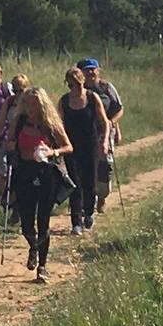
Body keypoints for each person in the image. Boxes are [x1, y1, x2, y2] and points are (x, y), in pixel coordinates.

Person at [4, 88, 72, 284]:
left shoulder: (50, 124)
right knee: (26, 222)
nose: (31, 108)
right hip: (24, 172)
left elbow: (68, 146)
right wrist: (10, 147)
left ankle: (42, 266)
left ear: (42, 104)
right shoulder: (19, 123)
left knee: (43, 219)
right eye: (28, 103)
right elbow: (9, 142)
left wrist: (52, 152)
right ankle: (33, 246)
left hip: (46, 173)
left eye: (35, 104)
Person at [58, 67, 110, 234]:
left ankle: (88, 212)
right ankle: (76, 222)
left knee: (90, 181)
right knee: (74, 183)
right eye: (72, 85)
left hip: (91, 144)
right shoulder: (64, 101)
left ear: (83, 82)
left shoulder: (92, 98)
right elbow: (59, 125)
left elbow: (105, 122)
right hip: (71, 146)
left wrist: (105, 141)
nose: (76, 88)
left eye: (79, 84)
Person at [78, 58, 123, 213]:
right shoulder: (78, 89)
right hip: (85, 133)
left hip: (104, 132)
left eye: (93, 69)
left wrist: (112, 123)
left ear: (98, 70)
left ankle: (102, 197)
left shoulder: (106, 88)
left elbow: (119, 109)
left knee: (104, 165)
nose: (90, 72)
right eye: (86, 69)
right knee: (86, 166)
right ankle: (88, 199)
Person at [0, 73, 31, 212]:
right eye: (15, 89)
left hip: (27, 142)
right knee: (3, 172)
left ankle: (18, 206)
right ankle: (0, 199)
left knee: (21, 175)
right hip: (9, 140)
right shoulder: (9, 102)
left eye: (21, 89)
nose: (18, 93)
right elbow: (1, 122)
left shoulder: (32, 102)